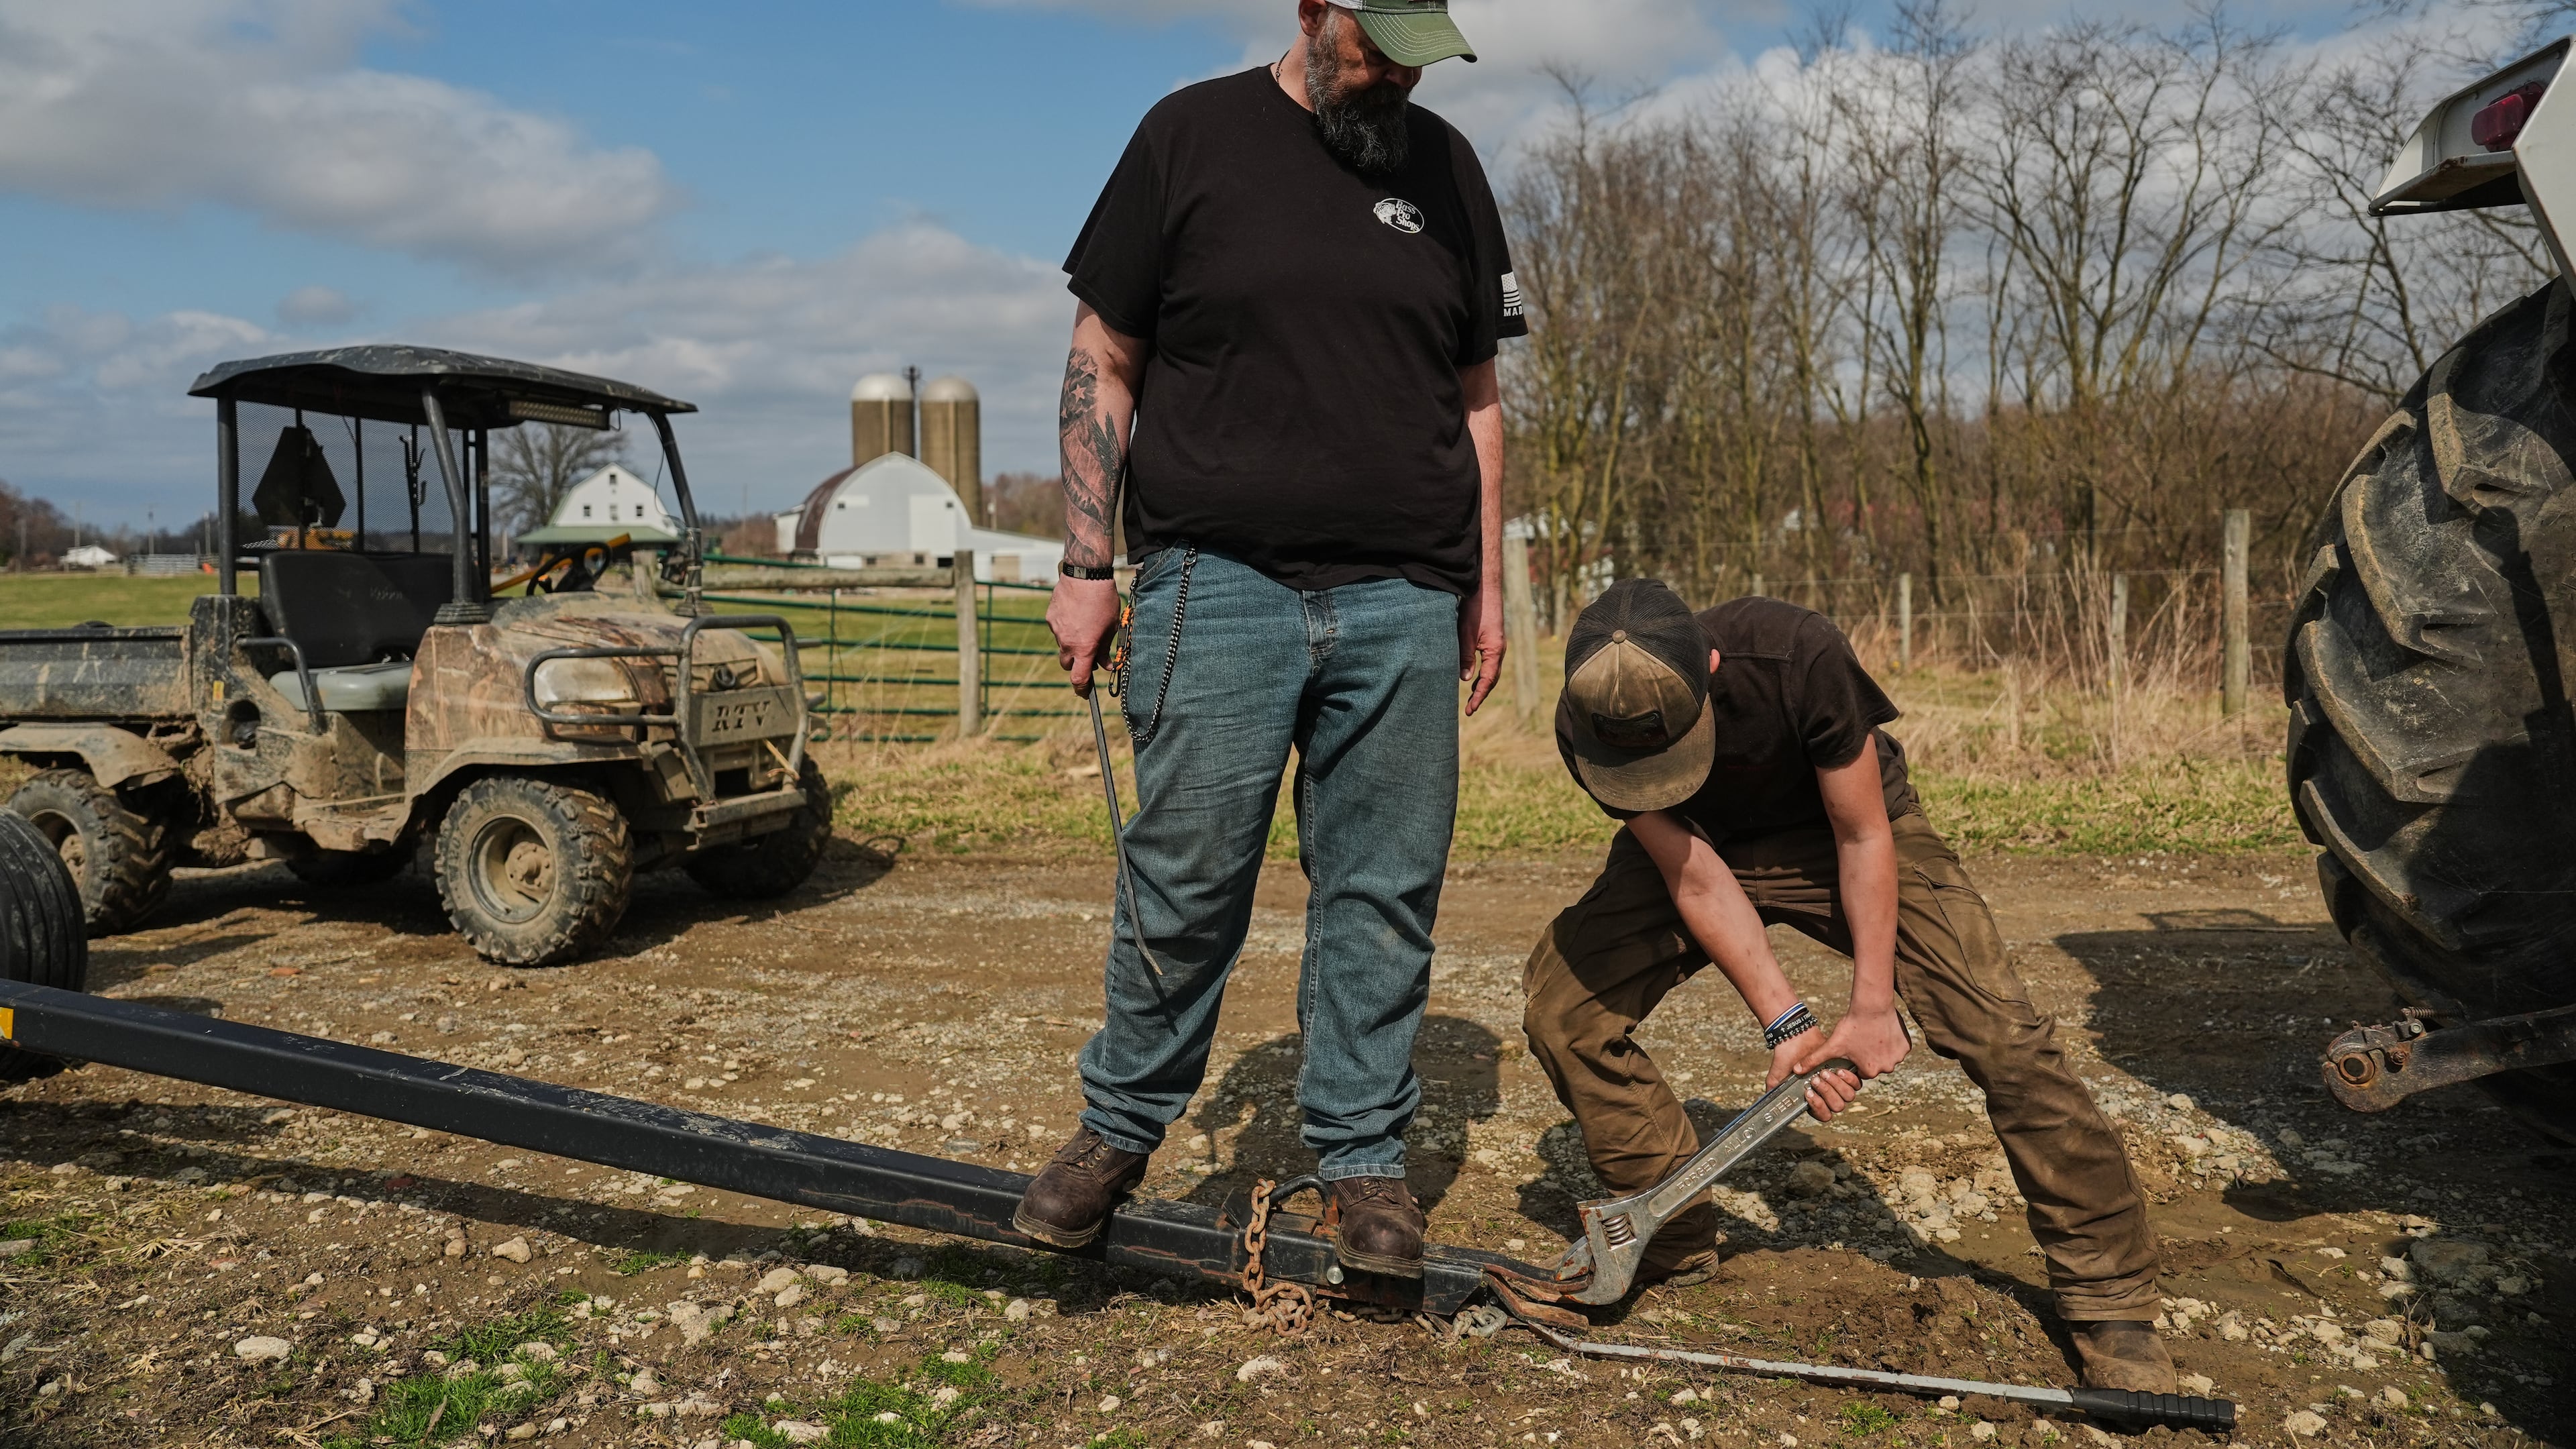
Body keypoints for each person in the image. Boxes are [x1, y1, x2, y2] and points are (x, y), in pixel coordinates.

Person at [1014, 0, 1525, 1279]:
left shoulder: (1448, 167)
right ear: (1312, 12)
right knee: (1183, 882)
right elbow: (1104, 359)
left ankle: (1361, 1164)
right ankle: (1119, 1128)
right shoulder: (1188, 137)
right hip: (1213, 583)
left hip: (1405, 594)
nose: (1400, 71)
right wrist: (1087, 561)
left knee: (1383, 893)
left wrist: (1487, 583)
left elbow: (1479, 402)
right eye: (1379, 44)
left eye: (1422, 48)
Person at [1519, 579, 2176, 1393]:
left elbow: (1863, 833)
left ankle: (2109, 1293)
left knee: (2000, 1032)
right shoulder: (1587, 721)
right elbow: (1695, 878)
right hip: (1705, 848)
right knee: (1563, 1010)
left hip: (1847, 835)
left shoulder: (1798, 655)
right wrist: (1787, 1022)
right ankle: (1664, 1231)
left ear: (1713, 666)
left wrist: (1871, 1009)